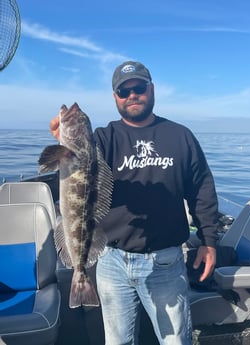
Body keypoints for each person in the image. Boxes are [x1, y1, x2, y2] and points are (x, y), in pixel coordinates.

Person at [50, 61, 218, 345]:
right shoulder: (102, 138)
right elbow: (79, 177)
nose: (132, 95)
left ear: (151, 89)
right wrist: (65, 149)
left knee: (176, 340)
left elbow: (201, 189)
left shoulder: (181, 136)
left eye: (138, 88)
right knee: (118, 342)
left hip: (166, 261)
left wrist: (208, 239)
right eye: (123, 91)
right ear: (115, 97)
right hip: (111, 260)